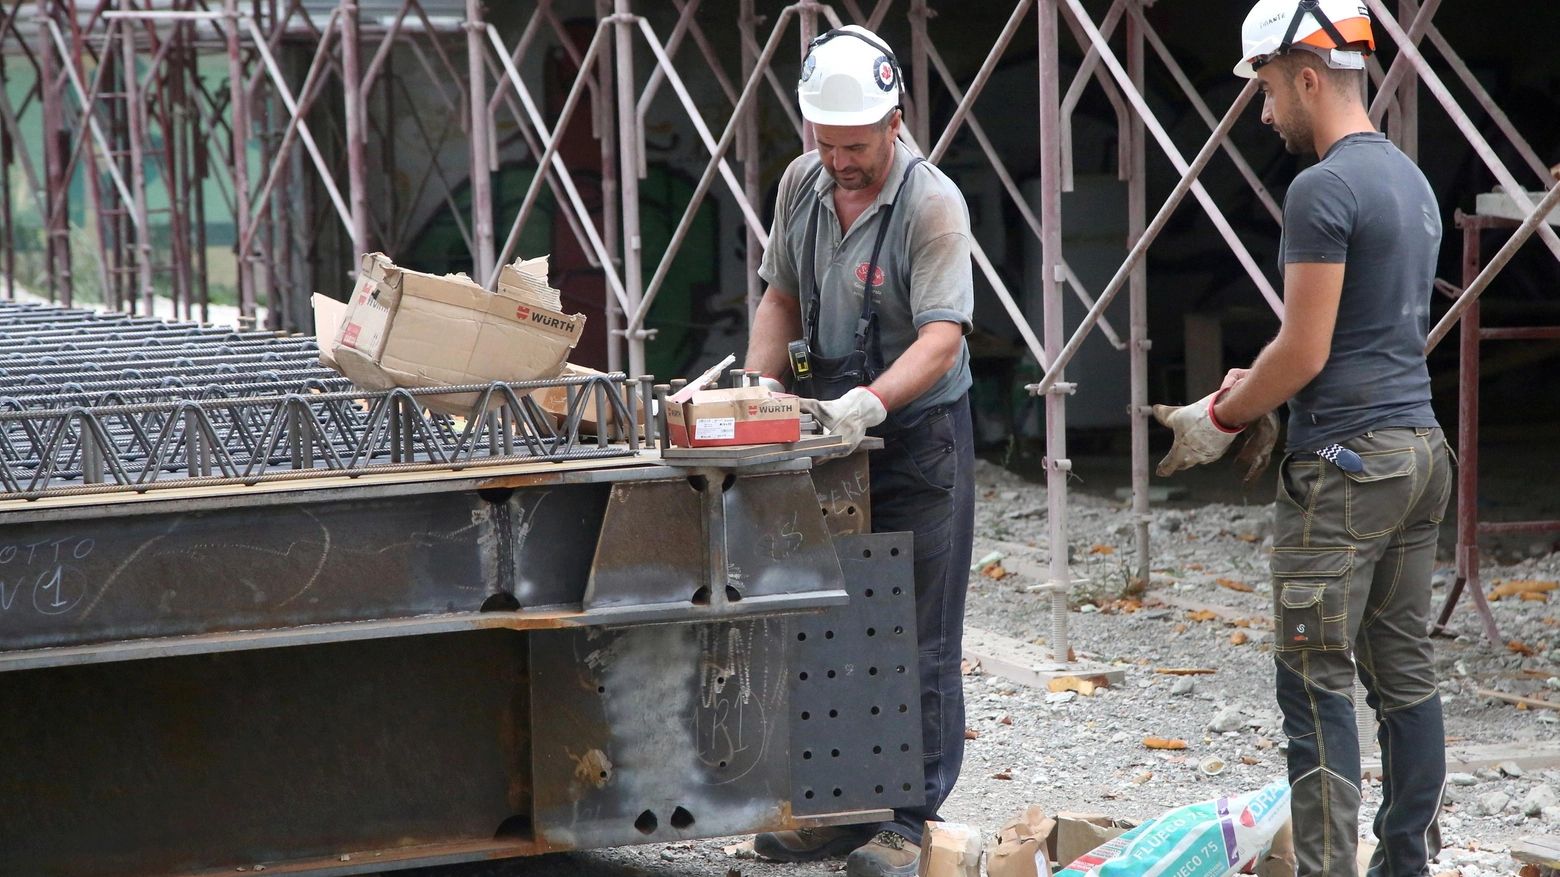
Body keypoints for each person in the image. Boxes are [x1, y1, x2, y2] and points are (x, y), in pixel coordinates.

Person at [1154, 2, 1451, 876]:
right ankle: (1407, 864)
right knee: (1404, 679)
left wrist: (1221, 417)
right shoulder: (1408, 177)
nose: (1262, 109)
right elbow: (1353, 334)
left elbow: (1308, 346)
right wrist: (1259, 381)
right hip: (1418, 449)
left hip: (1346, 469)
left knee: (1314, 680)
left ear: (1308, 75)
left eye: (1267, 87)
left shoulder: (1320, 188)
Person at [742, 24, 976, 877]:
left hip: (918, 440)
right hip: (835, 441)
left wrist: (869, 401)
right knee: (833, 618)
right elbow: (780, 296)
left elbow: (943, 339)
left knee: (919, 630)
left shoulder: (931, 204)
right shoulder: (803, 182)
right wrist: (757, 384)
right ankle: (842, 809)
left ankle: (912, 818)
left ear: (895, 120)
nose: (840, 160)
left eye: (857, 145)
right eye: (826, 141)